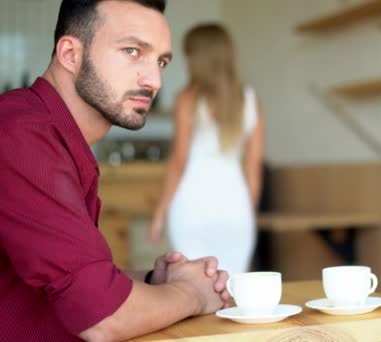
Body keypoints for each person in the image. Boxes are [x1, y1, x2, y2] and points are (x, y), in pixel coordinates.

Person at [0, 1, 232, 341]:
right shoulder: (23, 136)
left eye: (162, 61)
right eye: (133, 51)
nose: (153, 80)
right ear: (70, 53)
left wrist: (154, 282)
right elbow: (102, 317)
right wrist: (191, 294)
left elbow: (62, 283)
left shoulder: (54, 136)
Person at [147, 23, 265, 275]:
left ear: (196, 58)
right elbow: (253, 168)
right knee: (232, 292)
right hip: (236, 209)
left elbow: (178, 162)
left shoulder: (187, 99)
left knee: (194, 289)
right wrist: (247, 214)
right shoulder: (250, 100)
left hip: (193, 209)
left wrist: (159, 214)